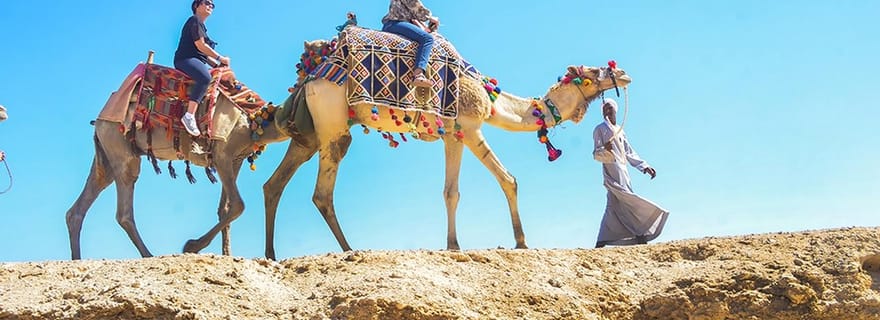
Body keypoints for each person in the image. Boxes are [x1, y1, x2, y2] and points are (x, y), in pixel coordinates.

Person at [592, 98, 669, 248]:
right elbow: (596, 154)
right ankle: (640, 234)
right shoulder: (599, 129)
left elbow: (629, 152)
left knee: (613, 206)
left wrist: (644, 166)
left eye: (609, 108)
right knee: (628, 200)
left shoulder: (620, 130)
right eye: (604, 109)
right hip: (611, 172)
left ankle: (602, 241)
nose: (606, 111)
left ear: (615, 110)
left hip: (623, 172)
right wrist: (605, 150)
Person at [174, 0, 230, 136]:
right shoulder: (194, 21)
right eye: (207, 2)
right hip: (185, 59)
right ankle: (189, 116)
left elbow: (204, 55)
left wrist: (218, 66)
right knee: (205, 78)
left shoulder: (202, 28)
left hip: (196, 60)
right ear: (196, 6)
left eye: (212, 5)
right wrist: (221, 58)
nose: (210, 6)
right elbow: (201, 46)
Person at [381, 0, 440, 88]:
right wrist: (430, 17)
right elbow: (416, 8)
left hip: (395, 24)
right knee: (428, 39)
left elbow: (415, 18)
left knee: (425, 35)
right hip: (395, 23)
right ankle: (418, 74)